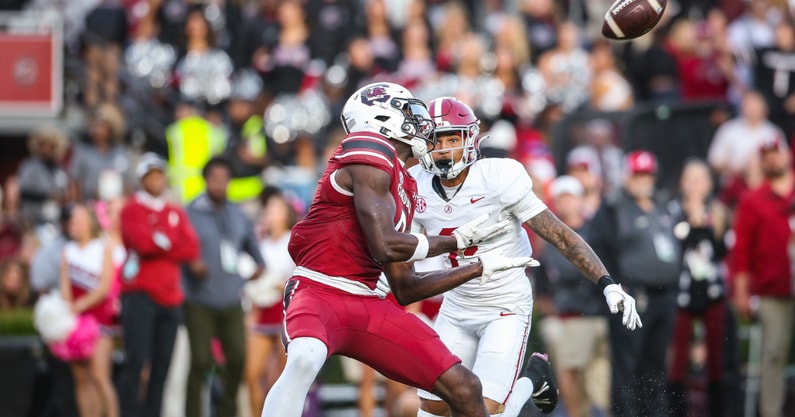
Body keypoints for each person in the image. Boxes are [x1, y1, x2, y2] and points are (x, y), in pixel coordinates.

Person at [260, 82, 539, 417]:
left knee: (465, 387)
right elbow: (386, 244)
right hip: (319, 291)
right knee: (305, 358)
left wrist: (477, 266)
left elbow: (406, 289)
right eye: (410, 113)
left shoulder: (406, 183)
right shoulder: (368, 147)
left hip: (368, 301)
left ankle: (528, 385)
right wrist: (457, 241)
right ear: (381, 119)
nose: (421, 125)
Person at [408, 97, 641, 417]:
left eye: (453, 139)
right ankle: (533, 381)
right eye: (437, 140)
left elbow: (559, 235)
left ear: (471, 140)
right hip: (456, 306)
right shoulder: (415, 185)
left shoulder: (498, 178)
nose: (445, 149)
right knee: (432, 409)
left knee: (486, 411)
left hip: (504, 306)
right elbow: (402, 251)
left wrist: (607, 283)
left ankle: (531, 380)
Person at [589, 150, 682, 417]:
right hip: (631, 296)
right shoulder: (613, 208)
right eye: (637, 175)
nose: (642, 181)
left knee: (655, 363)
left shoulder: (663, 204)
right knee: (627, 364)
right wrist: (614, 285)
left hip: (664, 296)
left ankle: (655, 413)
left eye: (647, 175)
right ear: (627, 177)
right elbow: (598, 250)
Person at [118, 153, 200, 417]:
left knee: (162, 365)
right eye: (150, 175)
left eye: (158, 175)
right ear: (141, 179)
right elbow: (142, 243)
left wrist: (162, 244)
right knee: (136, 361)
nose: (155, 180)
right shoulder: (131, 209)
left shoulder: (173, 210)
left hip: (171, 296)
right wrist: (167, 244)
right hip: (140, 293)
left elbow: (191, 248)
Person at [182, 156, 265, 417]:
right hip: (199, 300)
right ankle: (193, 412)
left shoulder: (238, 215)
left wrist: (251, 274)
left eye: (224, 179)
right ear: (205, 180)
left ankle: (226, 411)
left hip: (231, 301)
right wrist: (191, 261)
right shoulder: (190, 213)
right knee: (200, 361)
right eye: (214, 178)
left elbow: (256, 256)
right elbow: (179, 249)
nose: (219, 184)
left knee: (238, 359)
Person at [731, 136, 795, 417]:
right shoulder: (753, 199)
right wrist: (741, 291)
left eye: (776, 153)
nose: (773, 159)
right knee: (772, 354)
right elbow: (742, 250)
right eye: (766, 155)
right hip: (773, 290)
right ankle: (771, 412)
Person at [538, 175, 611, 417]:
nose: (568, 203)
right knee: (572, 375)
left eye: (571, 197)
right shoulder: (553, 240)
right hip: (572, 316)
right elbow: (563, 274)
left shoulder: (597, 230)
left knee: (600, 380)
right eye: (563, 198)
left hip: (601, 314)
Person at [666, 159, 731, 417]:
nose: (694, 185)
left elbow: (721, 251)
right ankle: (677, 410)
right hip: (682, 293)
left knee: (716, 357)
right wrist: (692, 223)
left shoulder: (718, 212)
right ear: (682, 183)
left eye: (700, 179)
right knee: (678, 357)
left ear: (709, 184)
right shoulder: (672, 212)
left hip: (712, 291)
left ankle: (718, 410)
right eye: (690, 179)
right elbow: (673, 250)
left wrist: (703, 224)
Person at [59, 204, 119, 417]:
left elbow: (105, 286)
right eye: (73, 221)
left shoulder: (103, 248)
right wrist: (70, 309)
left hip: (100, 322)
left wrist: (81, 305)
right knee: (81, 379)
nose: (75, 225)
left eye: (80, 221)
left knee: (100, 376)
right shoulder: (67, 251)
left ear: (90, 223)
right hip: (75, 323)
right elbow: (64, 285)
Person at [243, 188, 296, 417]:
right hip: (263, 312)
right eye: (270, 208)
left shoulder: (293, 241)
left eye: (277, 208)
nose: (272, 212)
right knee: (251, 374)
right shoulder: (260, 242)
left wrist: (276, 283)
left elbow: (297, 280)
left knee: (280, 380)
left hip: (285, 313)